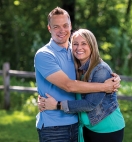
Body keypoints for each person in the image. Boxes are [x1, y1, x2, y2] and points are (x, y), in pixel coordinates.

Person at [34, 7, 121, 142]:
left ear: (70, 26)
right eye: (56, 27)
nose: (61, 30)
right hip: (54, 127)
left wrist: (114, 79)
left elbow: (97, 68)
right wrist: (104, 87)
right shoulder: (44, 55)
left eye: (65, 25)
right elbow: (69, 86)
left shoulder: (75, 51)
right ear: (49, 28)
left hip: (77, 124)